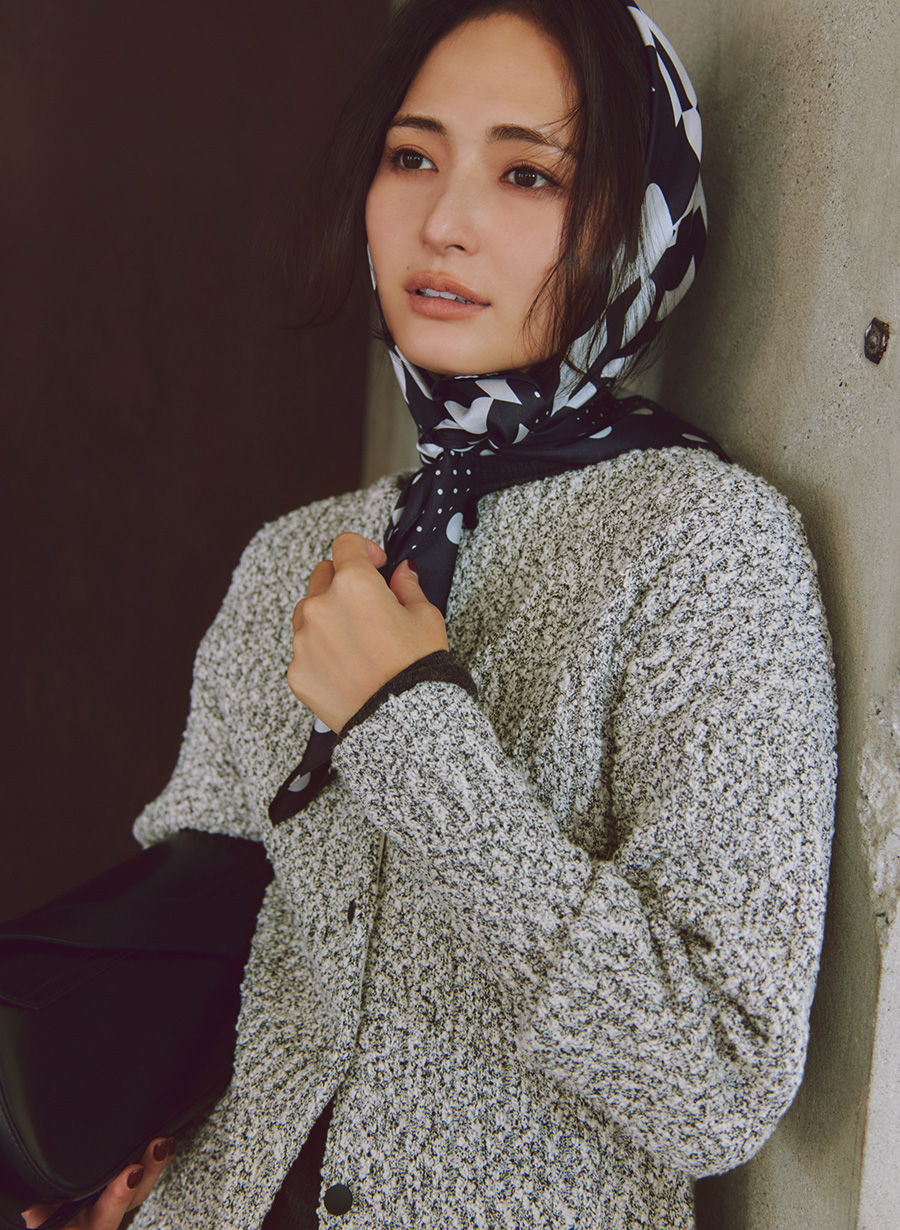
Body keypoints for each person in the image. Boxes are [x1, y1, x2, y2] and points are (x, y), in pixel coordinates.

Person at [25, 0, 837, 1226]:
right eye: (412, 157)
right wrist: (115, 1155)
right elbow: (200, 941)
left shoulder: (706, 546)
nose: (444, 221)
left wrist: (408, 727)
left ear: (637, 223)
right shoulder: (293, 555)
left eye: (527, 174)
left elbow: (718, 1083)